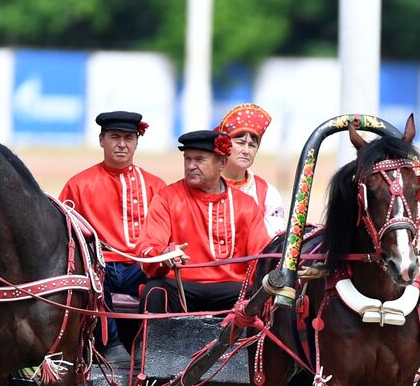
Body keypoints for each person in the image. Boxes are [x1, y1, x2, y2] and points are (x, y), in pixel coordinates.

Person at [59, 110, 166, 367]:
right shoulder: (79, 185)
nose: (121, 144)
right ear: (101, 140)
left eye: (128, 138)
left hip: (141, 265)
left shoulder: (156, 186)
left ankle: (150, 348)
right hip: (101, 265)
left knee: (166, 281)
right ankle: (112, 347)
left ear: (137, 142)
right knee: (94, 278)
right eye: (115, 137)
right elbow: (65, 233)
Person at [134, 130, 274, 322]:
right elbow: (147, 245)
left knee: (257, 297)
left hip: (232, 289)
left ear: (222, 163)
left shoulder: (246, 205)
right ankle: (152, 352)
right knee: (156, 290)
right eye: (187, 159)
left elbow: (262, 256)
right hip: (181, 285)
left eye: (199, 159)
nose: (191, 166)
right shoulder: (167, 197)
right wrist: (165, 255)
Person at [217, 103, 288, 237]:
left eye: (252, 145)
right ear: (225, 145)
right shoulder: (206, 185)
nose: (246, 151)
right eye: (240, 143)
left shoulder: (267, 193)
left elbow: (274, 242)